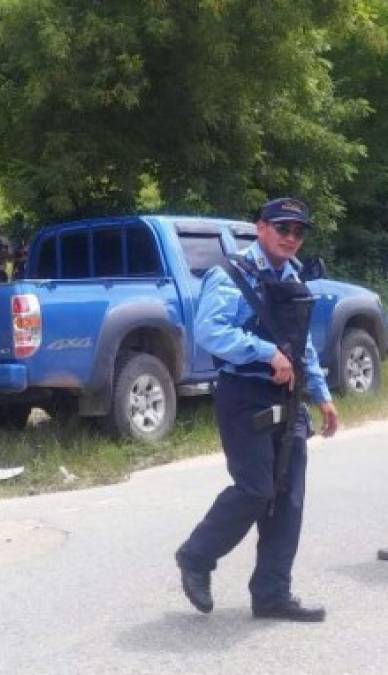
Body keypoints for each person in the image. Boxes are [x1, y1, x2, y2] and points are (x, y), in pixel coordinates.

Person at [174, 197, 339, 623]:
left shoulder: (293, 275)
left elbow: (299, 343)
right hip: (244, 395)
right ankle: (197, 556)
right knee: (255, 490)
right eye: (283, 228)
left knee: (288, 498)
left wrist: (321, 394)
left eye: (299, 232)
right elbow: (210, 331)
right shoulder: (230, 274)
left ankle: (271, 594)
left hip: (288, 398)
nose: (291, 238)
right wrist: (267, 353)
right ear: (260, 227)